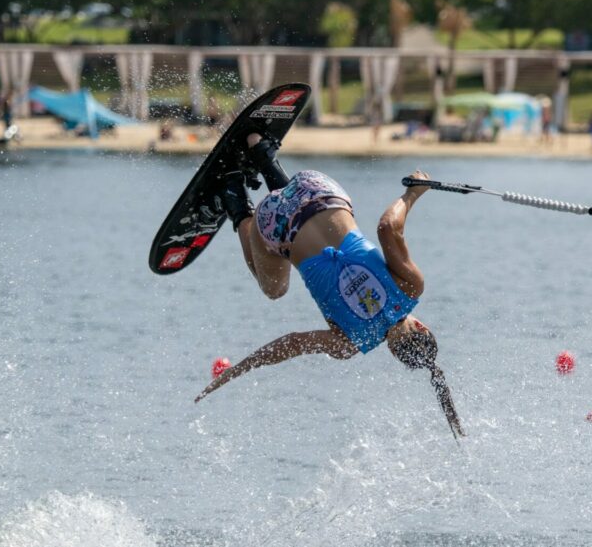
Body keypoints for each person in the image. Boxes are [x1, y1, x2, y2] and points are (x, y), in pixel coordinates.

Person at [194, 134, 466, 439]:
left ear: (423, 327)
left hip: (317, 187)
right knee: (274, 289)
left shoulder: (411, 288)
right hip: (271, 219)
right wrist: (237, 370)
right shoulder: (348, 342)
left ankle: (261, 150)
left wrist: (413, 194)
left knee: (308, 212)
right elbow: (291, 344)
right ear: (392, 353)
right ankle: (233, 195)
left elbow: (388, 227)